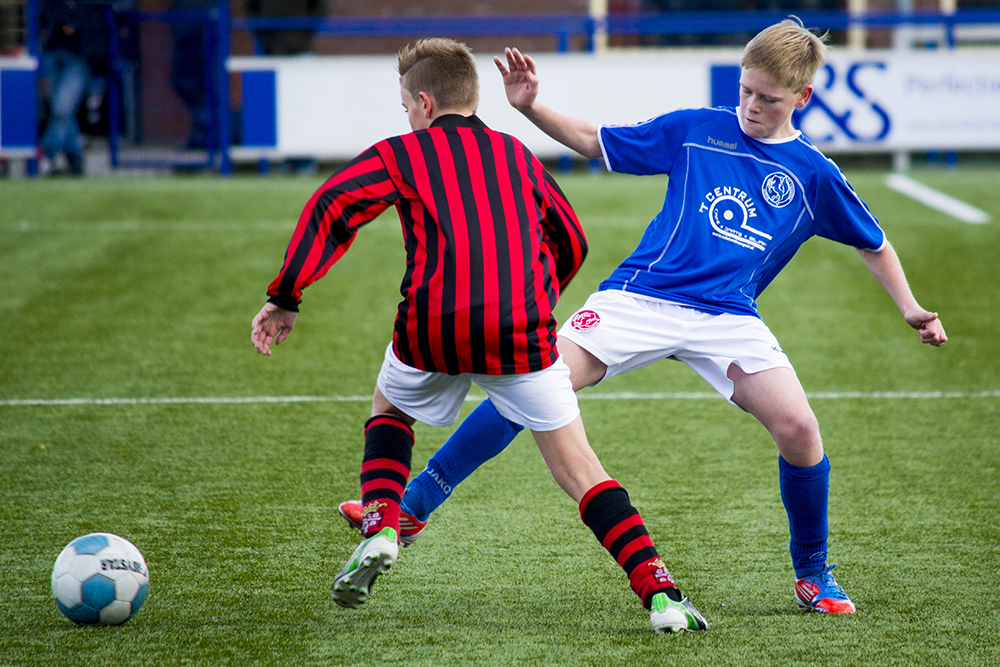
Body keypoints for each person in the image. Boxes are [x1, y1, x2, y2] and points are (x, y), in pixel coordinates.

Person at [339, 19, 948, 615]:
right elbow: (597, 140)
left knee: (800, 430)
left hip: (728, 317)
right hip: (638, 298)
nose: (751, 106)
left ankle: (813, 573)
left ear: (802, 98)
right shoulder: (696, 130)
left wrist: (911, 307)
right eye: (745, 90)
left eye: (768, 99)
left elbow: (873, 242)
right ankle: (413, 505)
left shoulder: (813, 174)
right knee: (536, 381)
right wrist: (531, 107)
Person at [251, 38, 708, 633]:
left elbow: (332, 205)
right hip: (520, 334)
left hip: (432, 328)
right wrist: (532, 302)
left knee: (391, 406)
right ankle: (661, 594)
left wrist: (287, 295)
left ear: (424, 103)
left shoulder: (403, 152)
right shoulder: (518, 155)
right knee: (582, 471)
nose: (407, 118)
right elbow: (572, 241)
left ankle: (383, 522)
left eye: (406, 108)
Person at [37, 0, 110, 175]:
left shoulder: (91, 7)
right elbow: (42, 26)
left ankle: (44, 155)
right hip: (51, 57)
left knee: (62, 109)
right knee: (62, 111)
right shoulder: (51, 5)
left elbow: (98, 31)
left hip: (79, 59)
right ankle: (74, 157)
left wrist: (75, 24)